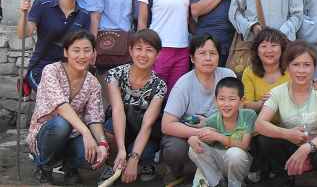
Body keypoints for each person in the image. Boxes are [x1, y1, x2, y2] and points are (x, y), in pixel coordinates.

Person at [27, 30, 107, 185]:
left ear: (93, 54)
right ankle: (44, 165)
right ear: (66, 52)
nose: (82, 56)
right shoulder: (51, 71)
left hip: (74, 135)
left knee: (92, 155)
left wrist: (102, 144)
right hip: (47, 133)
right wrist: (86, 132)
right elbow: (61, 106)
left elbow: (94, 118)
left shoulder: (93, 83)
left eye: (87, 50)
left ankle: (69, 165)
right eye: (76, 50)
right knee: (61, 124)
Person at [255, 42, 317, 187]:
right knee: (264, 140)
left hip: (316, 145)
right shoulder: (278, 92)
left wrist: (306, 148)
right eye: (295, 64)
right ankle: (284, 178)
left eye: (307, 65)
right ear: (287, 67)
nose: (301, 70)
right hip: (289, 143)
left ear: (314, 68)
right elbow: (259, 124)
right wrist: (287, 134)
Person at [160, 35, 236, 186]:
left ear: (219, 57)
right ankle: (180, 172)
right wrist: (197, 133)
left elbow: (239, 112)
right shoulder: (184, 84)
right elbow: (167, 125)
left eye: (213, 53)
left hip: (221, 130)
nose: (208, 58)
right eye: (202, 53)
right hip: (189, 132)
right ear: (192, 58)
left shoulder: (228, 76)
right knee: (174, 148)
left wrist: (211, 126)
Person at [101, 29, 166, 184]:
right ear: (130, 51)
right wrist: (121, 150)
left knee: (144, 155)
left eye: (149, 50)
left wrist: (133, 158)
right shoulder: (115, 74)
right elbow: (117, 110)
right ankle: (112, 165)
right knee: (109, 130)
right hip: (120, 128)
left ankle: (143, 163)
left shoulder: (160, 86)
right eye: (138, 48)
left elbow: (147, 125)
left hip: (143, 132)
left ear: (158, 54)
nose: (143, 54)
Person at [17, 0, 90, 90]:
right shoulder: (42, 5)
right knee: (56, 98)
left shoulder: (84, 15)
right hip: (41, 69)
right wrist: (24, 13)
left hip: (69, 72)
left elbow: (84, 50)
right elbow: (23, 33)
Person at [137, 0, 191, 93]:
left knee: (176, 93)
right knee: (153, 92)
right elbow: (142, 21)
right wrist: (144, 49)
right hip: (157, 48)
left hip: (182, 48)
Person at [188, 77, 256, 187]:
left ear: (241, 101)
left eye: (232, 99)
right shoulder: (212, 120)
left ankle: (235, 184)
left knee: (234, 153)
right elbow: (204, 138)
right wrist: (193, 139)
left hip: (240, 163)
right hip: (220, 162)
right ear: (216, 101)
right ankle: (217, 182)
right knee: (193, 148)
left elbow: (244, 145)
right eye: (222, 99)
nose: (226, 104)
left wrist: (218, 136)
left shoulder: (248, 115)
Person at [241, 27, 290, 113]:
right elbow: (245, 105)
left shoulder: (292, 70)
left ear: (282, 49)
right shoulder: (249, 72)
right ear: (257, 51)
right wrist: (261, 103)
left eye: (274, 45)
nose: (269, 50)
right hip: (259, 119)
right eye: (263, 46)